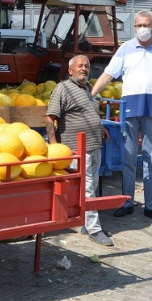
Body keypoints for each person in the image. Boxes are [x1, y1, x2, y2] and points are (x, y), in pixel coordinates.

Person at [90, 10, 152, 222]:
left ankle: (151, 206)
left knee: (151, 158)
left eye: (147, 25)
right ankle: (127, 202)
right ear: (134, 27)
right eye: (139, 25)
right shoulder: (125, 49)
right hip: (130, 109)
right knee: (128, 158)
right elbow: (109, 74)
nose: (143, 29)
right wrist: (90, 94)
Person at [45, 55, 113, 246]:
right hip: (76, 148)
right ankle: (95, 229)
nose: (84, 68)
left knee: (90, 187)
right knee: (88, 189)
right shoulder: (63, 88)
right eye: (80, 66)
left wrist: (101, 128)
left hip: (94, 146)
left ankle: (84, 221)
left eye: (86, 66)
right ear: (70, 70)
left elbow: (89, 112)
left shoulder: (87, 89)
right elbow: (50, 118)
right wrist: (54, 146)